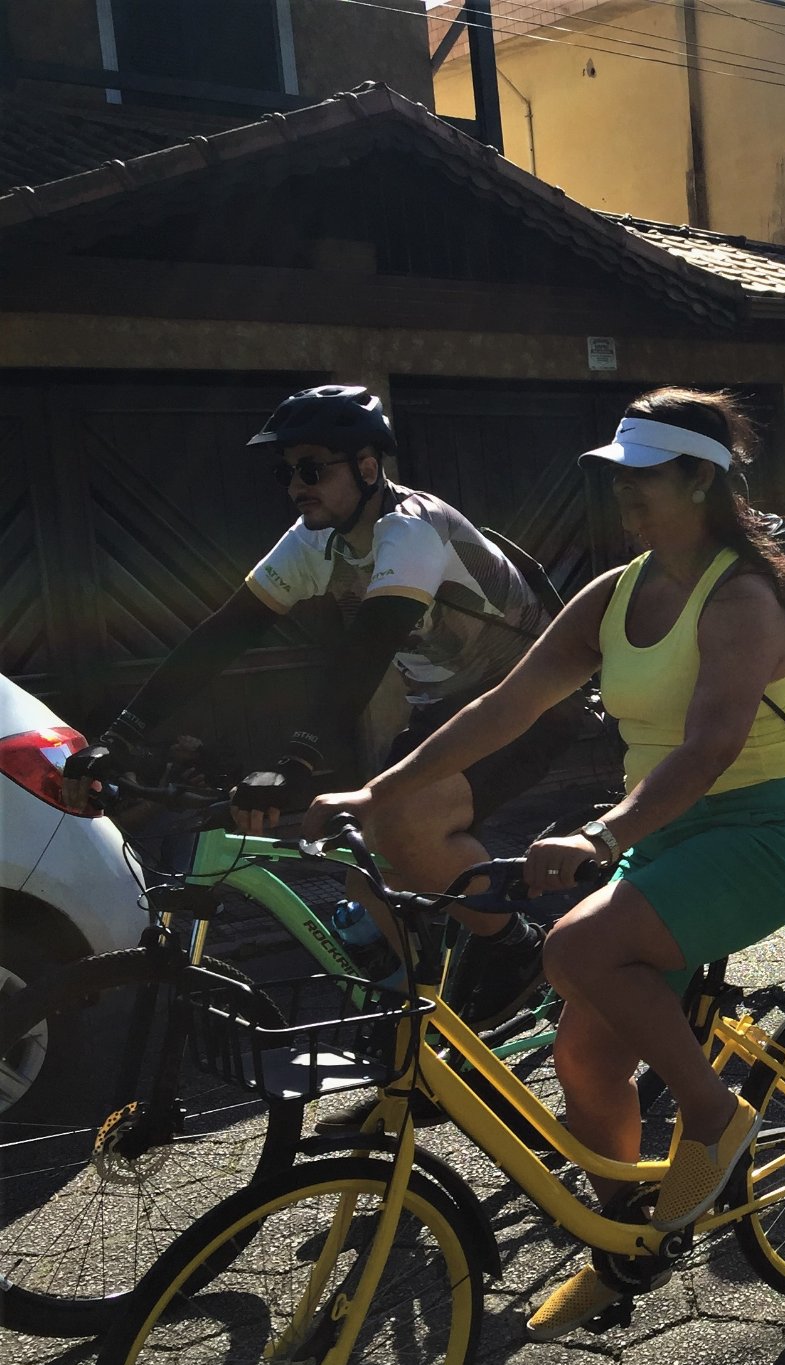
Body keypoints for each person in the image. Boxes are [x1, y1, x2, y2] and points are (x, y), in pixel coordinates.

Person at [309, 387, 785, 1341]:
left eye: (645, 476)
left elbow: (708, 748)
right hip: (674, 834)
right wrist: (381, 792)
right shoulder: (615, 593)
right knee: (583, 1057)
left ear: (700, 479)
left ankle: (716, 1117)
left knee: (577, 949)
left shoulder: (744, 598)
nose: (625, 495)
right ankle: (627, 1246)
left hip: (772, 828)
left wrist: (602, 837)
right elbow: (501, 711)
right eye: (617, 477)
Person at [69, 385, 563, 1023]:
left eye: (311, 469)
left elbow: (365, 650)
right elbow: (226, 633)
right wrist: (122, 733)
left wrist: (297, 760)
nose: (296, 485)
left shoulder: (412, 530)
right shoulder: (315, 539)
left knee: (403, 824)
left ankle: (516, 949)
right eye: (286, 471)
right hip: (444, 709)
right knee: (370, 873)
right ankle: (431, 1035)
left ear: (366, 467)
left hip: (529, 703)